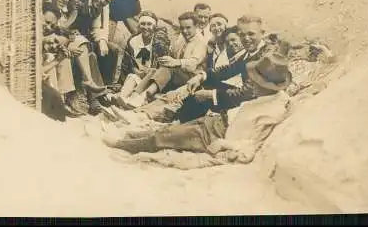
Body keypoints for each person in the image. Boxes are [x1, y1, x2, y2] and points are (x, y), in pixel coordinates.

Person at [102, 52, 292, 155]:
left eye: (256, 82)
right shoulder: (265, 93)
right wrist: (202, 76)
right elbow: (225, 71)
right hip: (218, 120)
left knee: (165, 137)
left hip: (216, 133)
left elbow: (251, 142)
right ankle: (132, 131)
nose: (252, 84)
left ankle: (122, 144)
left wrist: (224, 143)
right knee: (167, 130)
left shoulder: (272, 109)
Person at [53, 0, 120, 115]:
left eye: (107, 0)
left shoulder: (100, 7)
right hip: (70, 36)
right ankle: (94, 95)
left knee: (113, 50)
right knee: (91, 55)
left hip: (84, 37)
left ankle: (102, 89)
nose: (102, 0)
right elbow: (64, 20)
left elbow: (97, 27)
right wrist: (71, 30)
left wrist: (101, 40)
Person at [116, 11, 208, 110]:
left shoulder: (200, 42)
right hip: (178, 75)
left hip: (192, 79)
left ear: (196, 26)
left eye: (188, 28)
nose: (185, 31)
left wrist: (174, 62)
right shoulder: (182, 38)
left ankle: (143, 97)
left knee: (167, 68)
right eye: (182, 28)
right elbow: (172, 53)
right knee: (153, 70)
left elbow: (192, 65)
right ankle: (134, 96)